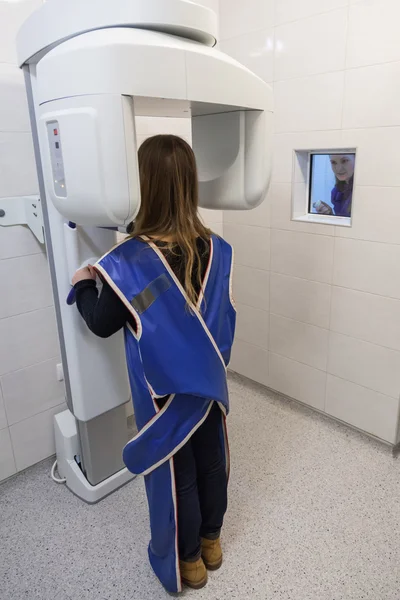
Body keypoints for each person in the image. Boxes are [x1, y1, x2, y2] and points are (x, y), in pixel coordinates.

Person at [71, 135, 236, 593]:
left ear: (144, 185)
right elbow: (222, 314)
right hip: (208, 384)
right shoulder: (217, 248)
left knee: (177, 470)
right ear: (189, 184)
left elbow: (103, 323)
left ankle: (189, 563)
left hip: (164, 392)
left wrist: (85, 284)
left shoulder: (130, 261)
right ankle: (212, 543)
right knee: (211, 462)